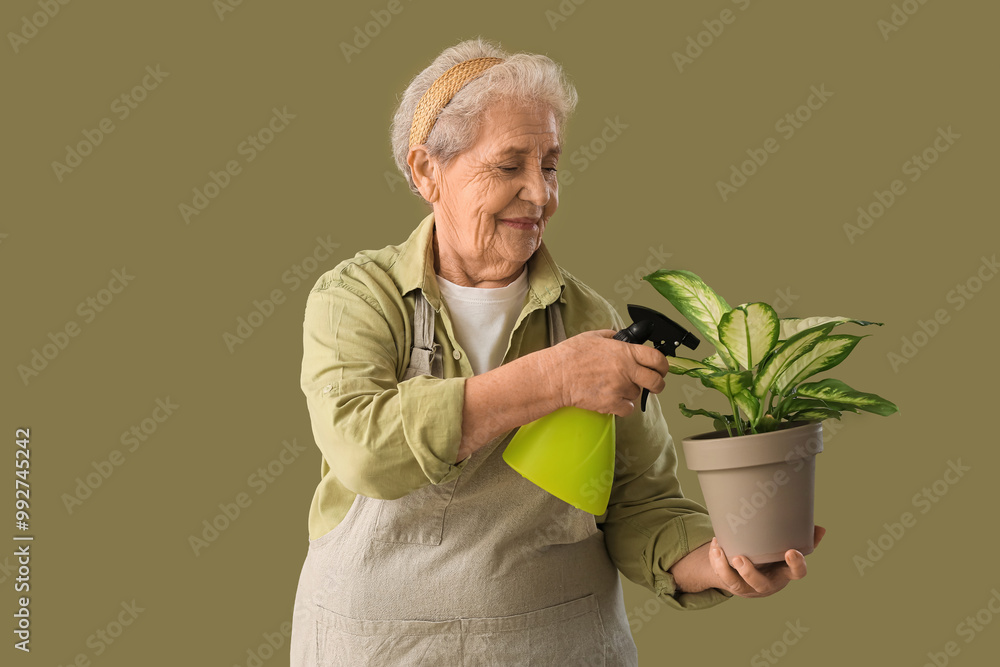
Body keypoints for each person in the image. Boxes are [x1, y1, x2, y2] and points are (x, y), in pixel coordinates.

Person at [289, 38, 824, 666]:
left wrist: (713, 562)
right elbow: (363, 448)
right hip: (377, 648)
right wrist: (555, 379)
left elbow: (639, 503)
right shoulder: (359, 297)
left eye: (549, 165)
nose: (540, 194)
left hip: (557, 648)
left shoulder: (593, 321)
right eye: (510, 165)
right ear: (427, 171)